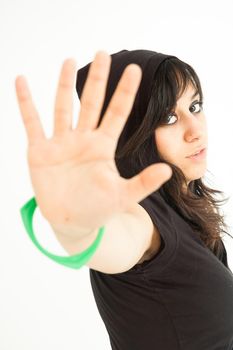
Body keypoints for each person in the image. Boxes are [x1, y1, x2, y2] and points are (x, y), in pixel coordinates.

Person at [16, 49, 233, 349]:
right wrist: (77, 225)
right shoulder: (143, 219)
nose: (195, 130)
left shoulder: (180, 205)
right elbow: (116, 240)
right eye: (169, 117)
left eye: (195, 106)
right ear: (133, 133)